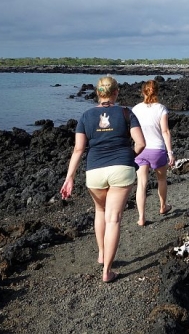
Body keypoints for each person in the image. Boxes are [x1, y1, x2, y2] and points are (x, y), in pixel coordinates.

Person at [60, 76, 146, 283]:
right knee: (113, 219)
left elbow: (79, 149)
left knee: (100, 211)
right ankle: (107, 271)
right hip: (121, 169)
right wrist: (128, 157)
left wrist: (69, 177)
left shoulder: (86, 116)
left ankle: (101, 253)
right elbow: (141, 143)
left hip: (94, 170)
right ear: (116, 92)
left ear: (98, 93)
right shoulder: (126, 112)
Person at [132, 80, 174, 226]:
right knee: (161, 180)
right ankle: (163, 206)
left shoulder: (136, 109)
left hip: (141, 150)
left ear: (143, 92)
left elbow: (131, 131)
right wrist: (170, 152)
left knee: (141, 184)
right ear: (157, 92)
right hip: (157, 150)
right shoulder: (161, 109)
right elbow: (165, 131)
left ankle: (141, 217)